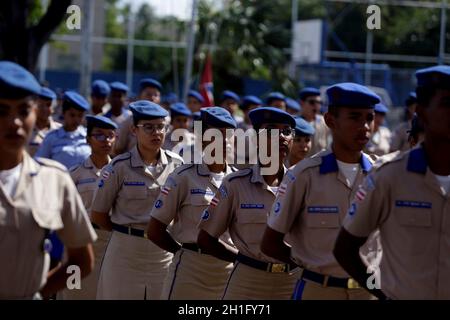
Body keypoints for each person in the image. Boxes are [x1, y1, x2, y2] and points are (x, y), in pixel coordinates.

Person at [333, 65, 450, 300]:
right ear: (423, 112)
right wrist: (381, 292)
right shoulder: (389, 176)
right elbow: (345, 250)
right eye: (448, 103)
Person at [261, 83, 381, 300]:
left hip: (368, 292)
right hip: (318, 290)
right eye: (354, 117)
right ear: (330, 121)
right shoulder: (304, 175)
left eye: (369, 118)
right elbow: (271, 242)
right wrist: (309, 263)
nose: (364, 126)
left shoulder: (380, 175)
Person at [0, 60, 96, 299]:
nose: (15, 123)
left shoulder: (54, 180)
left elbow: (81, 262)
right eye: (1, 112)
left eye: (23, 111)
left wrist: (38, 292)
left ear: (35, 113)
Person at [198, 107, 301, 300]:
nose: (282, 137)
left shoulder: (302, 183)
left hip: (292, 282)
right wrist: (242, 259)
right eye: (271, 130)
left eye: (287, 131)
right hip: (247, 282)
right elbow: (206, 239)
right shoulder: (236, 184)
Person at [91, 100, 184, 299]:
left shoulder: (177, 166)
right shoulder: (119, 167)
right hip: (125, 253)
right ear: (134, 130)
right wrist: (124, 231)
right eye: (148, 127)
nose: (156, 133)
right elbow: (98, 214)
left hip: (163, 254)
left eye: (161, 127)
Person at [148, 107, 237, 300]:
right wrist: (184, 253)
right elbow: (155, 230)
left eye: (228, 135)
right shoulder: (183, 177)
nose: (224, 141)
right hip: (190, 272)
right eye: (216, 135)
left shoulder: (239, 181)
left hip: (230, 273)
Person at [61, 115, 118, 300]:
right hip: (78, 241)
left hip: (108, 241)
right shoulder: (75, 173)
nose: (106, 141)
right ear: (87, 139)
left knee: (102, 292)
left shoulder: (120, 172)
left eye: (110, 135)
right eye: (99, 135)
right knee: (73, 289)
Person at [35, 90, 91, 170]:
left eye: (80, 116)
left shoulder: (88, 137)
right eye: (72, 115)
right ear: (64, 113)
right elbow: (38, 164)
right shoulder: (52, 138)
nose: (76, 119)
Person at [113, 78, 163, 155]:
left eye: (156, 95)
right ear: (140, 97)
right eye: (148, 94)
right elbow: (118, 148)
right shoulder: (130, 120)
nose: (152, 98)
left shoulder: (166, 121)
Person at [27, 87, 61, 157]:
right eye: (40, 105)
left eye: (48, 105)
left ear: (53, 108)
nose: (44, 109)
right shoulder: (26, 129)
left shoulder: (60, 130)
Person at [298, 87, 330, 156]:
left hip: (319, 164)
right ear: (302, 103)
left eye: (319, 102)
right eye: (312, 102)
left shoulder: (324, 121)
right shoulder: (294, 122)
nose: (316, 105)